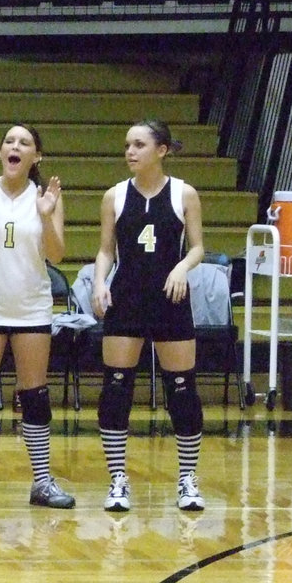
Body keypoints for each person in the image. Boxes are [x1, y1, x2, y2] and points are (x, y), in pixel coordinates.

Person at [91, 119, 206, 513]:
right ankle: (118, 479)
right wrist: (98, 282)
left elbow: (198, 248)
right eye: (127, 145)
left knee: (182, 388)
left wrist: (180, 268)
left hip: (170, 301)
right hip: (126, 300)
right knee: (117, 386)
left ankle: (188, 479)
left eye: (138, 145)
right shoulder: (114, 196)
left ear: (162, 150)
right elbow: (106, 250)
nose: (130, 152)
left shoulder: (184, 193)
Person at [0, 124, 75, 510]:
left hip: (31, 305)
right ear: (1, 153)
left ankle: (42, 482)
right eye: (9, 141)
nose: (15, 146)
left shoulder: (48, 197)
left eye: (24, 142)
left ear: (36, 156)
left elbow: (57, 255)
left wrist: (45, 215)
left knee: (35, 395)